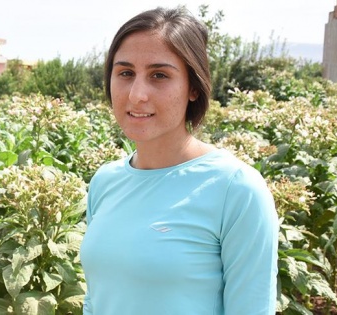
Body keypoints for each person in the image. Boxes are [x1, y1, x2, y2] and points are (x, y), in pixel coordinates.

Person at [79, 6, 278, 315]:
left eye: (159, 75)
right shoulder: (105, 182)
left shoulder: (236, 189)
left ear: (194, 88)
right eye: (125, 73)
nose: (136, 94)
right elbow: (96, 299)